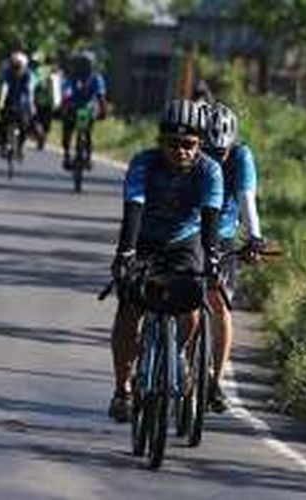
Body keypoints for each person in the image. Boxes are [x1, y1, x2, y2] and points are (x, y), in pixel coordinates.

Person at [108, 99, 224, 423]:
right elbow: (133, 207)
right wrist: (125, 256)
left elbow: (210, 219)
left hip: (185, 242)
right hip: (144, 239)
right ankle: (122, 390)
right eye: (173, 144)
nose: (181, 151)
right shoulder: (144, 163)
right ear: (160, 142)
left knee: (192, 302)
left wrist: (212, 262)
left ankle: (180, 355)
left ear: (200, 144)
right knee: (129, 306)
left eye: (189, 144)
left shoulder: (209, 170)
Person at [204, 102, 264, 412]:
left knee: (220, 304)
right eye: (210, 151)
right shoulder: (193, 153)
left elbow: (246, 198)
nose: (216, 158)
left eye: (222, 152)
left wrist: (254, 237)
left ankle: (214, 381)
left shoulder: (241, 156)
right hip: (190, 231)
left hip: (224, 234)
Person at [60, 50, 107, 170]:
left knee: (86, 133)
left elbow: (101, 95)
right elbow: (66, 91)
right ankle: (67, 155)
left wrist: (103, 110)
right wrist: (64, 105)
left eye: (86, 64)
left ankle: (88, 157)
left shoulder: (96, 78)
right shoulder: (72, 77)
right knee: (68, 131)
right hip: (73, 107)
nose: (84, 67)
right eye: (82, 64)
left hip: (87, 109)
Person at [0, 50, 37, 158]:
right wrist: (0, 102)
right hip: (9, 101)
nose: (16, 68)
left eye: (19, 66)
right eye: (14, 66)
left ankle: (20, 147)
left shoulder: (28, 75)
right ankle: (2, 144)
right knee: (3, 121)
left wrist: (31, 106)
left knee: (25, 125)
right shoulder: (7, 72)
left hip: (23, 103)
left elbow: (30, 92)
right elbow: (4, 87)